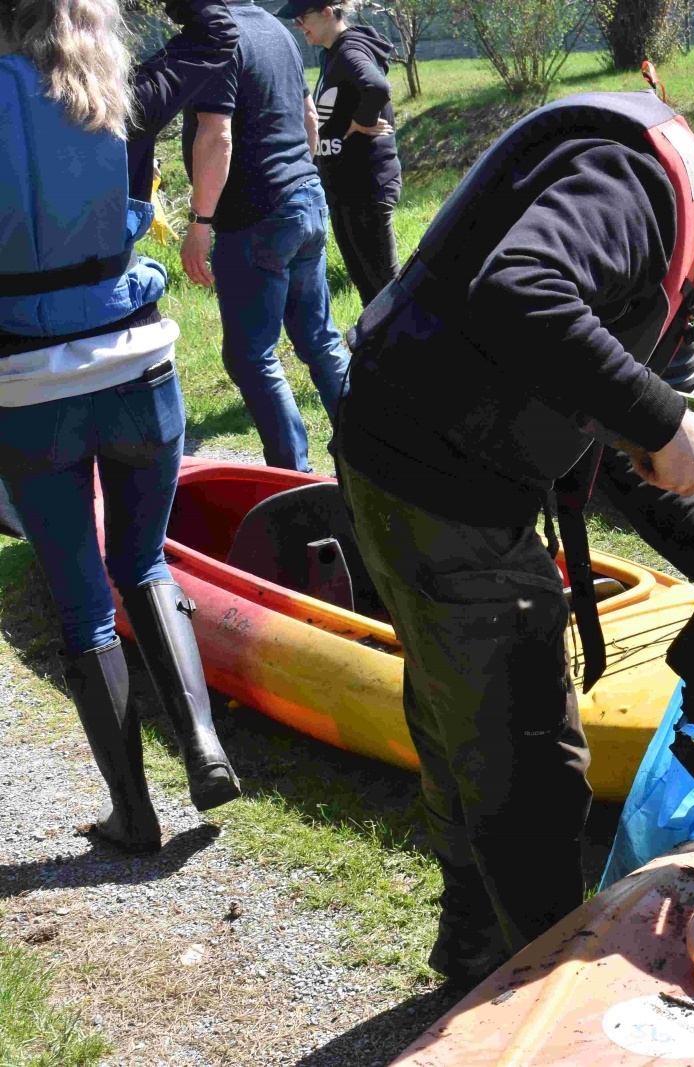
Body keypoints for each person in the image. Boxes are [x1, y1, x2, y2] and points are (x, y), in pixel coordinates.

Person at [335, 89, 694, 982]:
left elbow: (597, 430)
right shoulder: (634, 183)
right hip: (439, 480)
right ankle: (534, 1000)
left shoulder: (668, 240)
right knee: (534, 764)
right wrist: (661, 418)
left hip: (408, 461)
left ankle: (472, 950)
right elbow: (520, 289)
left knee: (463, 727)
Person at [0, 0, 244, 853]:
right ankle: (205, 746)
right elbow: (218, 33)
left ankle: (133, 815)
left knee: (84, 611)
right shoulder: (119, 88)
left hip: (30, 392)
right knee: (142, 561)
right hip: (142, 368)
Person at [179, 0, 350, 473]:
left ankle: (293, 477)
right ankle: (370, 454)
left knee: (251, 357)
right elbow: (309, 117)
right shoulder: (277, 31)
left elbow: (217, 136)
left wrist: (199, 222)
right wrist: (298, 177)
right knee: (320, 341)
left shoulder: (218, 35)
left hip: (256, 215)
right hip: (306, 197)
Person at [278, 0, 401, 307]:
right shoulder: (332, 53)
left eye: (302, 17)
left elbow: (377, 87)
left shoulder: (349, 50)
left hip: (366, 185)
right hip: (346, 188)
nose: (297, 25)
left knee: (386, 288)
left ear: (327, 13)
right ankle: (378, 337)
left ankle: (414, 337)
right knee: (367, 285)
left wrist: (362, 121)